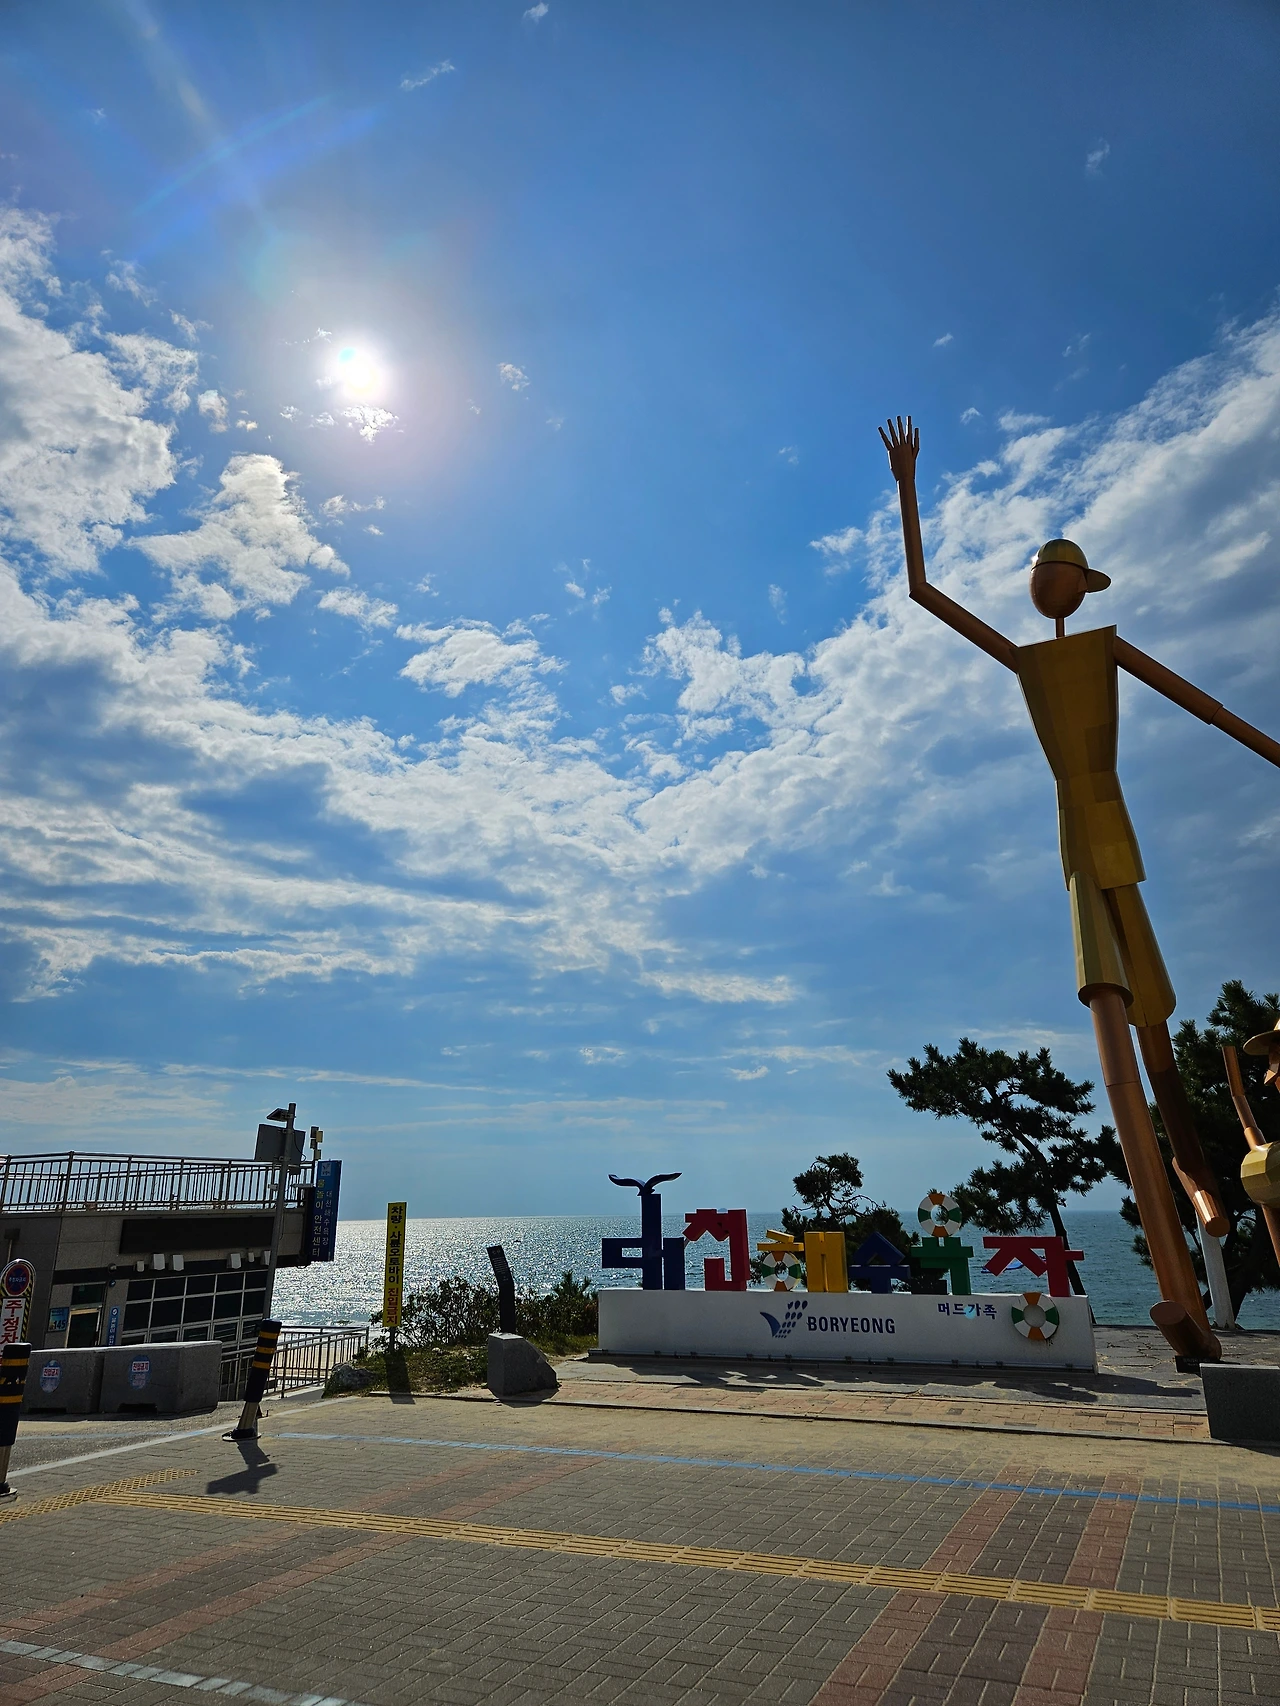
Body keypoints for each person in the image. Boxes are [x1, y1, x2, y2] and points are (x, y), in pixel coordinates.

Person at [879, 416, 1280, 1362]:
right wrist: (907, 487)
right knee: (1111, 1000)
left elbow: (1204, 705)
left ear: (1081, 586)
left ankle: (1197, 1179)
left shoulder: (1101, 646)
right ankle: (1185, 1257)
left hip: (1108, 828)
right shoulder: (1030, 657)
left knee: (1149, 1017)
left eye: (1057, 573)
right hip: (1077, 830)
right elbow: (925, 593)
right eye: (1041, 574)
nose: (1045, 586)